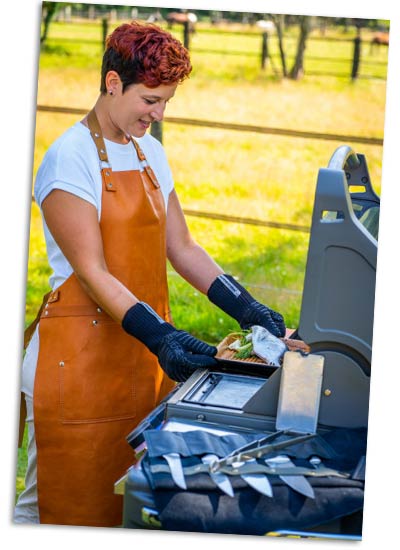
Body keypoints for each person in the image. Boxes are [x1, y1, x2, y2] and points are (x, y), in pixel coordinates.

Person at [14, 21, 285, 528]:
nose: (158, 115)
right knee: (55, 507)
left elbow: (181, 247)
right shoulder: (68, 159)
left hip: (139, 362)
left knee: (130, 506)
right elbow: (92, 272)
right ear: (113, 83)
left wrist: (249, 309)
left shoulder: (151, 153)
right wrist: (163, 336)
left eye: (166, 103)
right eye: (151, 101)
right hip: (78, 364)